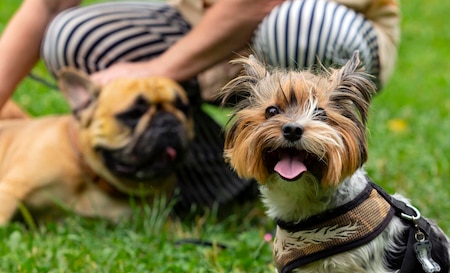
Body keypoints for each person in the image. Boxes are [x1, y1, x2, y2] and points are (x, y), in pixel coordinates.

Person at [0, 0, 400, 212]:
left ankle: (321, 188)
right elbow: (49, 5)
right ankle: (228, 182)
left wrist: (157, 69)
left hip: (318, 22)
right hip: (202, 20)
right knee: (75, 36)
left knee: (298, 26)